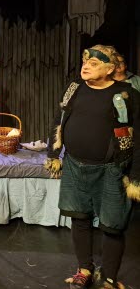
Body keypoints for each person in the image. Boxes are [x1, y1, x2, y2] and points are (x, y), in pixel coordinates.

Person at [44, 45, 140, 289]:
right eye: (85, 61)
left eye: (94, 63)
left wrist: (136, 176)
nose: (85, 66)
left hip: (111, 170)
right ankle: (84, 269)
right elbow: (59, 119)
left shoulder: (126, 94)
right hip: (75, 165)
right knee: (79, 219)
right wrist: (53, 153)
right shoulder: (74, 87)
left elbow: (138, 136)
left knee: (112, 226)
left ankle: (108, 278)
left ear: (110, 69)